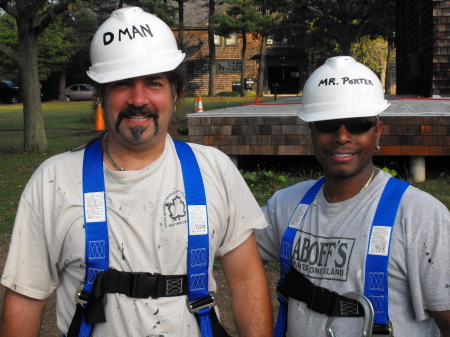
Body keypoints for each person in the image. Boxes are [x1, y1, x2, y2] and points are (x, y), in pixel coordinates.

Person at [0, 7, 272, 337]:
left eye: (154, 83)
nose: (138, 99)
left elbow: (245, 279)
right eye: (122, 84)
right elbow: (25, 299)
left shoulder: (214, 170)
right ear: (100, 94)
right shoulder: (53, 181)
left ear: (175, 93)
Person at [256, 56, 450, 337]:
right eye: (328, 124)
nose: (343, 136)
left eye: (358, 124)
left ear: (377, 131)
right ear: (311, 130)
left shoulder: (420, 217)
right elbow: (229, 246)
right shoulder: (286, 206)